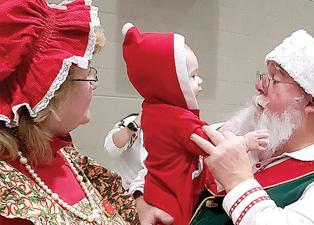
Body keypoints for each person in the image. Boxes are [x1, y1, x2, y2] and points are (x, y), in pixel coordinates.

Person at [189, 29, 314, 225]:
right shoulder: (249, 133)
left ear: (312, 102)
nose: (259, 86)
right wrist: (146, 197)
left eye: (274, 80)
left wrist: (238, 181)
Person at [0, 0, 138, 224]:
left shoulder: (65, 158)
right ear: (51, 87)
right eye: (88, 72)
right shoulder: (9, 191)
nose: (93, 83)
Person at [119, 23, 268, 225]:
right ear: (170, 83)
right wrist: (245, 142)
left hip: (157, 188)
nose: (200, 81)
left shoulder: (151, 109)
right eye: (193, 76)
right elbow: (215, 147)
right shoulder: (179, 119)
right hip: (174, 195)